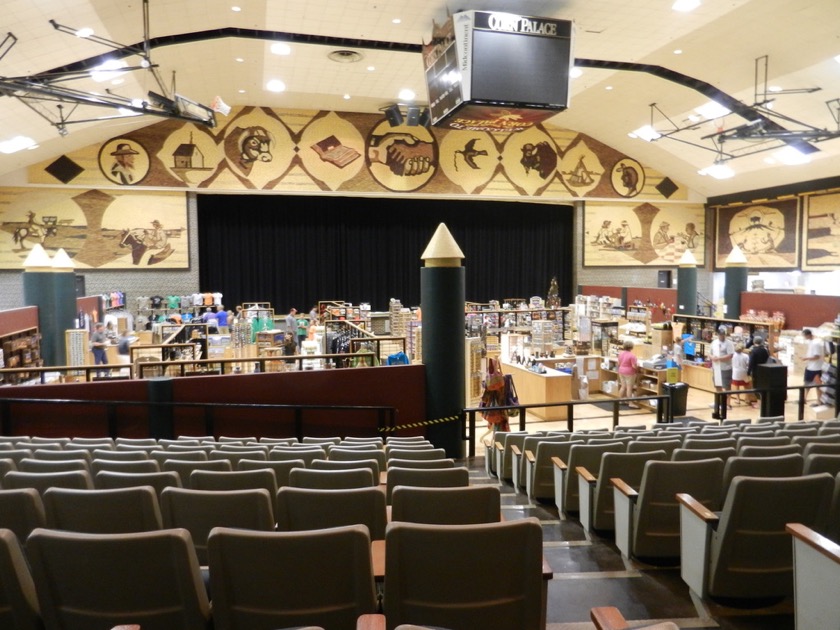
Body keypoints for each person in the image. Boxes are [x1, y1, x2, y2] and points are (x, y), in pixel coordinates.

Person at [709, 325, 734, 417]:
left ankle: (727, 404)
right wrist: (712, 358)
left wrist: (719, 358)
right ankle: (718, 402)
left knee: (726, 386)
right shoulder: (714, 342)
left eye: (723, 335)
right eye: (720, 335)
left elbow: (730, 355)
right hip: (716, 368)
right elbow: (710, 354)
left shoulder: (729, 343)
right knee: (717, 385)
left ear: (725, 335)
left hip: (725, 368)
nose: (721, 336)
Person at [802, 328, 825, 405]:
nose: (804, 337)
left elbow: (817, 356)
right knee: (807, 384)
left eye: (804, 336)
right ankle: (804, 399)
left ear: (808, 335)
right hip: (810, 367)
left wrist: (806, 358)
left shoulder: (816, 343)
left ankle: (819, 400)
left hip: (815, 368)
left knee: (818, 385)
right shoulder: (811, 342)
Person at [747, 335, 771, 408]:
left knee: (756, 387)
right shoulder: (765, 350)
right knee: (763, 386)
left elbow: (751, 362)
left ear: (754, 342)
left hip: (756, 371)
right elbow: (768, 358)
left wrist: (748, 371)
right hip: (764, 370)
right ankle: (763, 402)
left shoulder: (754, 351)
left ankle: (759, 403)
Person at [616, 339, 639, 408]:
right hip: (629, 373)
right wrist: (637, 369)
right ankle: (630, 403)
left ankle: (620, 400)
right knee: (629, 388)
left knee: (623, 386)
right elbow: (634, 366)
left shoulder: (620, 353)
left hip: (621, 371)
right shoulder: (632, 356)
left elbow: (619, 363)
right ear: (631, 347)